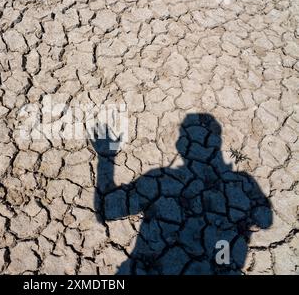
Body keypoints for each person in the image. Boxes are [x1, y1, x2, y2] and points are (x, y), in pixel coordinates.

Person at [90, 113, 272, 274]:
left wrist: (106, 157)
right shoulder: (241, 183)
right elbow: (265, 220)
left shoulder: (157, 181)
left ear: (179, 145)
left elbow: (107, 210)